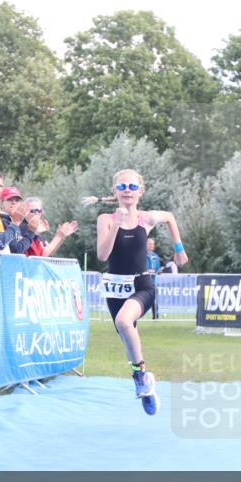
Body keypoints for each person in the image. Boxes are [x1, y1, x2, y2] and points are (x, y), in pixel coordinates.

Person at [97, 169, 187, 415]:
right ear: (115, 191)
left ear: (140, 191)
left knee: (124, 321)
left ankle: (142, 377)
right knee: (127, 335)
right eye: (123, 186)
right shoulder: (105, 219)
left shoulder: (145, 219)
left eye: (133, 187)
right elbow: (103, 255)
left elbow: (169, 217)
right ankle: (143, 380)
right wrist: (116, 224)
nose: (128, 190)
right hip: (116, 289)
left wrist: (179, 248)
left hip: (141, 285)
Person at [145, 238, 161, 320]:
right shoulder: (142, 255)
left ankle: (155, 316)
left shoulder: (156, 257)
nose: (151, 246)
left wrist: (158, 271)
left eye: (152, 244)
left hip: (153, 282)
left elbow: (157, 268)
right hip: (143, 281)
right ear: (145, 245)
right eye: (149, 244)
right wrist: (147, 270)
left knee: (154, 298)